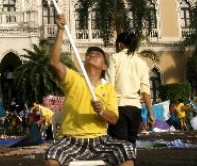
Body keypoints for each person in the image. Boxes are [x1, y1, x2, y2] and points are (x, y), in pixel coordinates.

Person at [44, 15, 135, 166]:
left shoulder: (108, 89)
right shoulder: (73, 79)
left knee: (127, 150)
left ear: (104, 66)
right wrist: (60, 30)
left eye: (98, 54)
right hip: (71, 141)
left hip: (100, 140)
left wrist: (101, 112)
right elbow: (54, 62)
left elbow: (113, 119)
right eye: (89, 54)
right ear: (84, 60)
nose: (92, 54)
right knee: (51, 156)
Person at [106, 32, 154, 145]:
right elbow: (145, 91)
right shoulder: (142, 63)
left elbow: (109, 86)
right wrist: (150, 113)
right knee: (131, 145)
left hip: (119, 107)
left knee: (118, 145)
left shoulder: (114, 58)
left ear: (119, 45)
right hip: (135, 109)